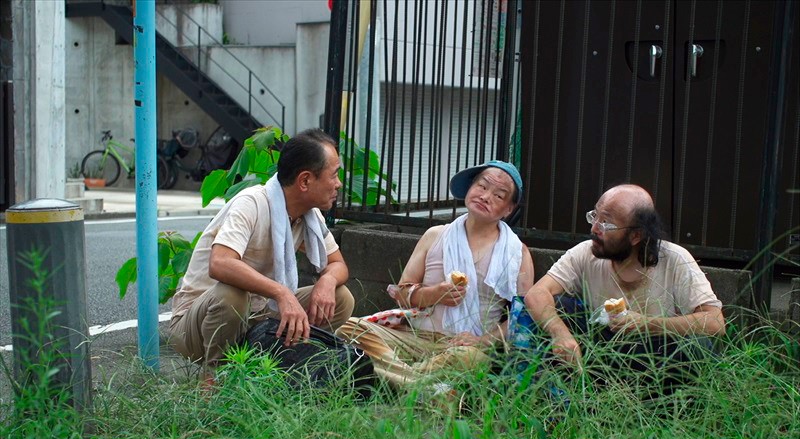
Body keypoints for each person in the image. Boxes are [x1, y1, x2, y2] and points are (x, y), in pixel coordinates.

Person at [169, 128, 355, 376]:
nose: (338, 184)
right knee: (232, 294)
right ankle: (214, 380)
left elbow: (338, 265)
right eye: (334, 175)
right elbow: (221, 263)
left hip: (258, 314)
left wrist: (328, 281)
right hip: (196, 324)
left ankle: (289, 368)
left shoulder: (308, 216)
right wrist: (281, 293)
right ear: (305, 181)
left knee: (341, 297)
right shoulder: (252, 203)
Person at [336, 161, 535, 387]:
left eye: (499, 196)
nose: (486, 196)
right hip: (413, 337)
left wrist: (482, 342)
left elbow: (521, 315)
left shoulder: (517, 253)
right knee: (350, 328)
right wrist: (434, 294)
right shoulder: (436, 235)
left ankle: (393, 378)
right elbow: (402, 293)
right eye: (482, 186)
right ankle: (418, 386)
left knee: (470, 360)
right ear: (470, 188)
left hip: (463, 348)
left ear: (509, 209)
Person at [523, 184, 725, 371]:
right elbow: (537, 293)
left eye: (606, 224)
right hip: (601, 355)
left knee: (698, 345)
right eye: (595, 216)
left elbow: (715, 322)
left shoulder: (675, 259)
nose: (594, 229)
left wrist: (646, 324)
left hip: (656, 360)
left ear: (636, 236)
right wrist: (560, 334)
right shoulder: (585, 253)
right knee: (557, 308)